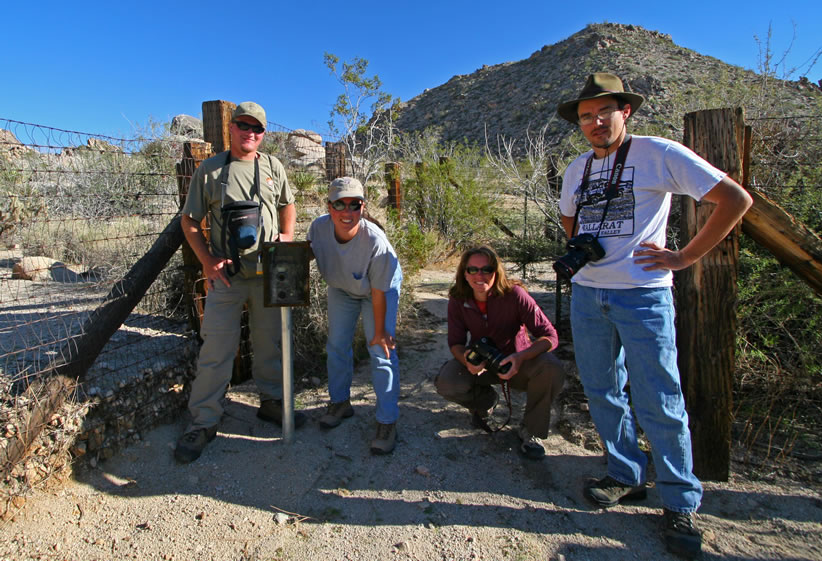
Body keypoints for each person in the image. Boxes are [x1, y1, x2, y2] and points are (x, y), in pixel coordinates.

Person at [556, 73, 753, 558]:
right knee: (603, 391)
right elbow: (569, 218)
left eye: (605, 111)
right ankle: (625, 474)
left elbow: (734, 200)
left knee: (659, 398)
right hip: (588, 293)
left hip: (643, 295)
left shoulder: (658, 153)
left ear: (626, 111)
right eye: (586, 115)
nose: (595, 122)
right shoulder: (576, 168)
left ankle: (681, 501)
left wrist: (684, 257)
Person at [177, 101, 301, 463]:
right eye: (243, 126)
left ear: (264, 134)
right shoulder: (211, 170)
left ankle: (272, 404)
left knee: (270, 343)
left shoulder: (273, 167)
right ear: (231, 128)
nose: (250, 133)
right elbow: (189, 220)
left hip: (268, 275)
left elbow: (286, 203)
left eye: (257, 128)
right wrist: (207, 262)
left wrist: (288, 234)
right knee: (216, 348)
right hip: (227, 278)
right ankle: (203, 421)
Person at [435, 245, 566, 460]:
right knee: (448, 381)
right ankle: (485, 403)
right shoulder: (459, 299)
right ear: (464, 273)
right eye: (473, 270)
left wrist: (520, 357)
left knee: (551, 368)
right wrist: (467, 360)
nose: (480, 275)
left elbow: (550, 336)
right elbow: (456, 343)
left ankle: (531, 431)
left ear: (497, 271)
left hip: (518, 363)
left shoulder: (515, 295)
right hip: (484, 365)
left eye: (487, 269)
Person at [307, 176, 403, 455]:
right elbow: (309, 252)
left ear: (363, 206)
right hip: (342, 288)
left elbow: (378, 292)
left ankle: (387, 421)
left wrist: (381, 332)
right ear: (329, 205)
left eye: (354, 205)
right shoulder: (318, 227)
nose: (346, 212)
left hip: (378, 289)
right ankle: (340, 403)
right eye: (339, 204)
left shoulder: (376, 242)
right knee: (337, 345)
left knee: (380, 350)